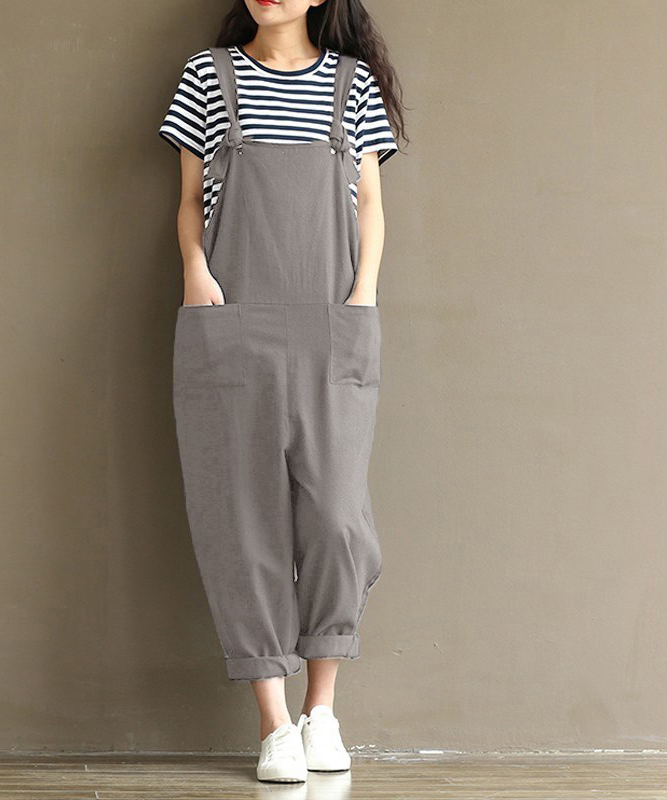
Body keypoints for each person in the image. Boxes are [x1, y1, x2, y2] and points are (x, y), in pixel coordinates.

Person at [158, 0, 407, 784]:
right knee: (242, 525)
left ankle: (321, 712)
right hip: (231, 323)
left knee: (337, 519)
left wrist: (363, 293)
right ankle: (273, 726)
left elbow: (369, 202)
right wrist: (195, 273)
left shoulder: (354, 85)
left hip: (333, 323)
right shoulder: (208, 76)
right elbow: (189, 199)